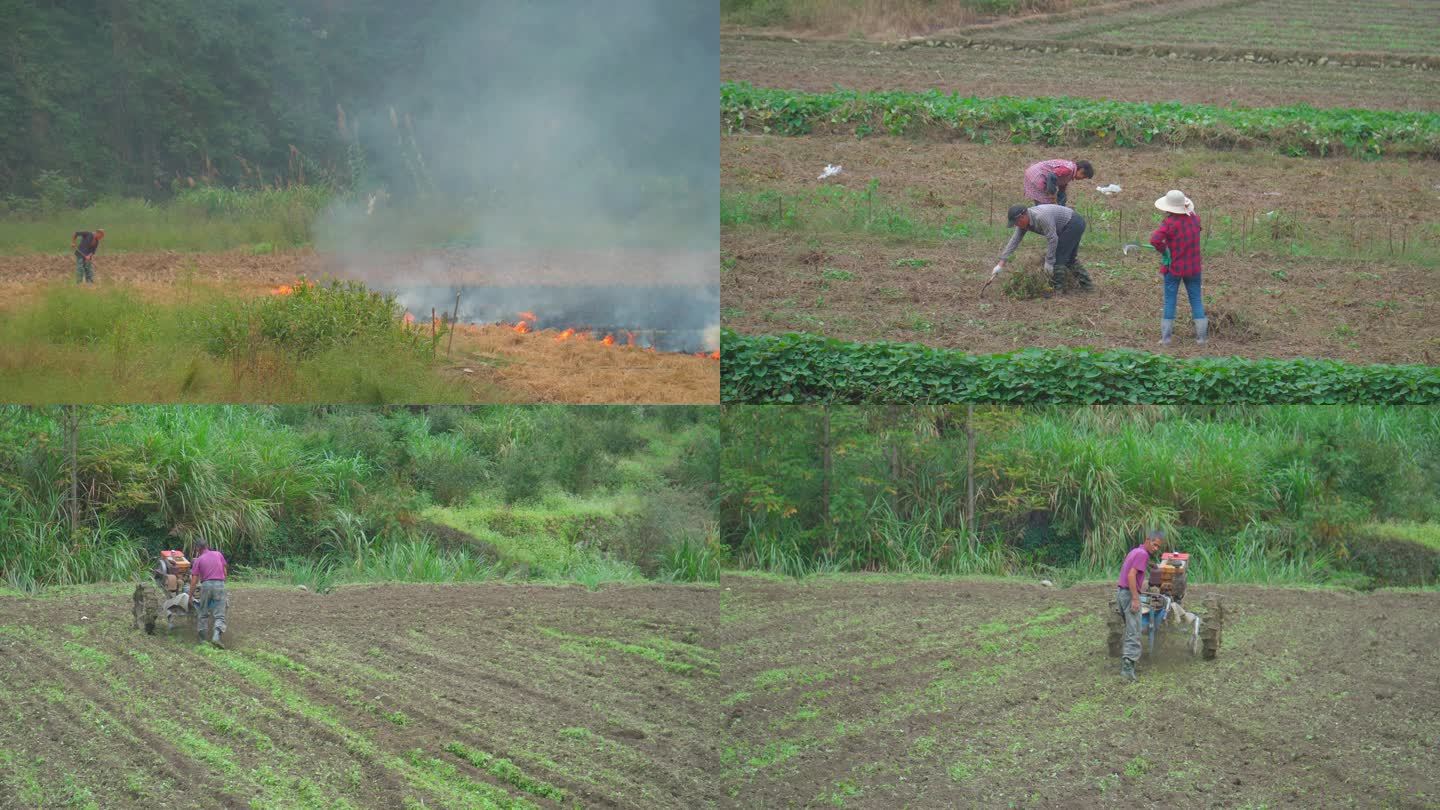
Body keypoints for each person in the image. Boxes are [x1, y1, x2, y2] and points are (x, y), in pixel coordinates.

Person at [1150, 190, 1206, 346]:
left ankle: (1166, 339)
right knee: (1196, 299)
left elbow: (1154, 240)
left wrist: (1164, 249)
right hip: (1193, 267)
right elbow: (1195, 229)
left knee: (1170, 300)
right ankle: (1202, 338)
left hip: (1174, 267)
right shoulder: (1195, 219)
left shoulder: (1169, 223)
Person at [991, 203, 1091, 291]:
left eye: (1017, 222)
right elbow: (1014, 241)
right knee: (1069, 259)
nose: (1016, 225)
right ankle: (1087, 286)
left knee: (1058, 257)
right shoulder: (1023, 223)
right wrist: (1001, 264)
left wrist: (1049, 262)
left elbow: (1053, 239)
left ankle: (1058, 289)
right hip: (1069, 226)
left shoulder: (1041, 217)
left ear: (1023, 216)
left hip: (1073, 223)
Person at [1116, 530, 1163, 682]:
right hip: (1129, 595)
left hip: (1121, 593)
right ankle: (1127, 671)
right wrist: (1136, 598)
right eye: (1154, 545)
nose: (1156, 548)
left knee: (1131, 628)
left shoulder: (1135, 551)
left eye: (1158, 547)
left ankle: (1127, 664)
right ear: (1147, 540)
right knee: (1134, 631)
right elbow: (1131, 575)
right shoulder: (1143, 555)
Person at [187, 540, 228, 648]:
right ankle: (216, 637)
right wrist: (221, 584)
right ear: (207, 546)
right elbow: (225, 571)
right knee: (220, 615)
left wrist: (190, 596)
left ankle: (203, 641)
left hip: (206, 586)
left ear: (197, 549)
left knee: (203, 614)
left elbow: (194, 580)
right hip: (220, 584)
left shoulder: (198, 560)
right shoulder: (218, 554)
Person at [1023, 159, 1093, 207]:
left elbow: (1062, 188)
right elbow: (1051, 176)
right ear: (1080, 169)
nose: (1081, 178)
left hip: (1034, 173)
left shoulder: (1069, 172)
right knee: (1046, 204)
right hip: (1037, 175)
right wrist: (1052, 193)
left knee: (1043, 203)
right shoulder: (1068, 170)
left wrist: (1062, 204)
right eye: (1083, 176)